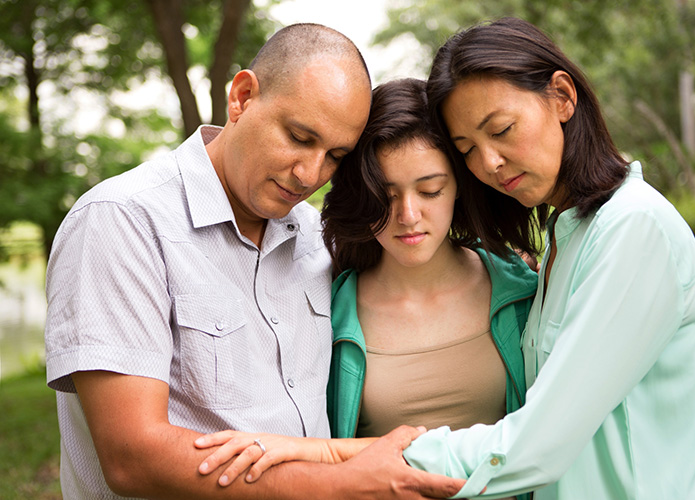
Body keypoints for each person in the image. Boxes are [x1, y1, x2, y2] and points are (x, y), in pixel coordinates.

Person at [190, 17, 695, 500]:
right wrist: (659, 356)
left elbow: (534, 444)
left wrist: (335, 457)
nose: (492, 163)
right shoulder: (567, 238)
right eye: (471, 149)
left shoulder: (629, 226)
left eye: (501, 131)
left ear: (563, 97)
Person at [44, 23, 463, 500]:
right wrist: (340, 482)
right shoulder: (122, 221)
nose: (311, 174)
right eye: (299, 137)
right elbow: (131, 456)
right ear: (241, 97)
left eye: (335, 156)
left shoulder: (314, 238)